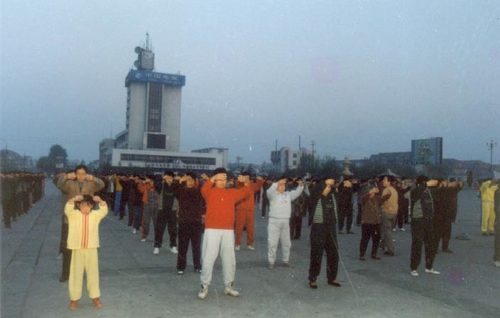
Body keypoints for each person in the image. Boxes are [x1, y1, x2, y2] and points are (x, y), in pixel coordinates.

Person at [197, 168, 253, 300]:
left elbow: (246, 192)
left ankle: (229, 286)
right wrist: (213, 177)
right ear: (215, 180)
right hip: (212, 230)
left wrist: (245, 181)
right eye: (219, 179)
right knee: (208, 258)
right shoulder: (209, 192)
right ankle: (204, 286)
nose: (222, 182)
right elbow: (203, 189)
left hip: (228, 231)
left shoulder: (231, 193)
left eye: (224, 179)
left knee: (229, 259)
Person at [56, 165, 105, 283]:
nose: (81, 176)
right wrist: (66, 176)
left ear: (87, 174)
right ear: (75, 174)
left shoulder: (91, 184)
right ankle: (65, 273)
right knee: (68, 247)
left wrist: (93, 178)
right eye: (78, 174)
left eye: (83, 174)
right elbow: (59, 184)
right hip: (71, 219)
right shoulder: (69, 184)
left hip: (87, 219)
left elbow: (102, 184)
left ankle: (87, 273)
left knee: (88, 247)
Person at [64, 194, 108, 310]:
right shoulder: (73, 215)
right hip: (77, 249)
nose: (85, 209)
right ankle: (74, 299)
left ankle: (95, 298)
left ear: (92, 206)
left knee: (93, 273)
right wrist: (74, 199)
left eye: (88, 206)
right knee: (75, 274)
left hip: (91, 248)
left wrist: (101, 200)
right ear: (79, 206)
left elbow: (104, 210)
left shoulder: (95, 215)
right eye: (83, 206)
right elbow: (68, 207)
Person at [307, 177, 341, 289]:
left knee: (333, 253)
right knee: (317, 253)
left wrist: (346, 189)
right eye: (326, 186)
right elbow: (312, 198)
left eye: (330, 186)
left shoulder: (333, 195)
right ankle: (312, 278)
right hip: (318, 227)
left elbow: (343, 200)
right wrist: (322, 188)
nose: (328, 188)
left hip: (331, 227)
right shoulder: (316, 196)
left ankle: (332, 277)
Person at [266, 176, 304, 269]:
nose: (283, 186)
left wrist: (301, 186)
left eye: (284, 185)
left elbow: (297, 193)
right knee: (272, 243)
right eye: (281, 185)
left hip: (285, 221)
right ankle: (271, 261)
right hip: (274, 221)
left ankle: (285, 260)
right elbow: (269, 191)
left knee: (287, 243)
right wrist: (277, 183)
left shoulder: (288, 195)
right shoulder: (272, 195)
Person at [409, 176, 441, 277]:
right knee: (417, 245)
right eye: (425, 183)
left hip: (428, 221)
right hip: (418, 221)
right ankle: (414, 268)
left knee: (431, 245)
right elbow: (417, 191)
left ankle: (429, 267)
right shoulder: (415, 191)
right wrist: (426, 184)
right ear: (420, 184)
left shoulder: (429, 192)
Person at [174, 172, 204, 274]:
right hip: (183, 222)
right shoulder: (181, 191)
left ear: (195, 181)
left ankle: (197, 266)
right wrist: (180, 181)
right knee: (182, 246)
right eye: (187, 180)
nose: (189, 182)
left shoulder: (198, 191)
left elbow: (203, 191)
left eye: (191, 180)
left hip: (196, 222)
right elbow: (175, 191)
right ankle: (180, 267)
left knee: (196, 246)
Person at [234, 172, 264, 250]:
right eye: (245, 177)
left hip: (250, 210)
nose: (246, 178)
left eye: (247, 177)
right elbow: (237, 184)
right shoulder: (239, 184)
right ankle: (237, 244)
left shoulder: (252, 185)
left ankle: (250, 243)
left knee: (250, 228)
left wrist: (260, 180)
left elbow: (259, 185)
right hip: (240, 209)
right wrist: (240, 180)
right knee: (239, 228)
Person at [359, 180, 382, 260]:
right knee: (365, 239)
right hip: (366, 222)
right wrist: (370, 192)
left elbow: (384, 198)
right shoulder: (364, 198)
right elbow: (364, 198)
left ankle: (374, 253)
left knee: (376, 239)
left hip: (376, 222)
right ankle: (362, 254)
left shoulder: (377, 198)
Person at [157, 171, 179, 254]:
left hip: (172, 211)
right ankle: (157, 246)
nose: (169, 179)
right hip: (162, 210)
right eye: (167, 177)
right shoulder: (161, 185)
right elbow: (156, 184)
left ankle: (173, 246)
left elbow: (181, 190)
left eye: (171, 178)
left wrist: (178, 180)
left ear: (173, 178)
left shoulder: (176, 186)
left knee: (173, 230)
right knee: (159, 229)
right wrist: (162, 178)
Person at [379, 175, 398, 256]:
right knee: (387, 230)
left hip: (386, 212)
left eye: (385, 180)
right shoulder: (394, 190)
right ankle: (383, 244)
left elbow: (381, 201)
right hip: (394, 212)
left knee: (387, 231)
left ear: (389, 182)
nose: (383, 181)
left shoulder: (386, 190)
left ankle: (390, 250)